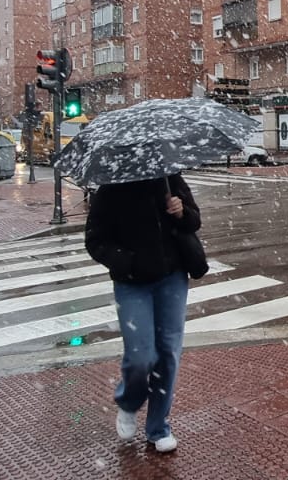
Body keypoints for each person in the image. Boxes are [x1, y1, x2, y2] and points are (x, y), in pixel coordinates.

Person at [85, 174, 201, 452]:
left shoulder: (168, 178)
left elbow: (194, 221)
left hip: (172, 276)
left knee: (168, 352)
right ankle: (129, 402)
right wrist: (127, 261)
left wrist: (181, 211)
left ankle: (158, 427)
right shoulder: (110, 189)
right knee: (140, 356)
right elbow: (95, 241)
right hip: (132, 283)